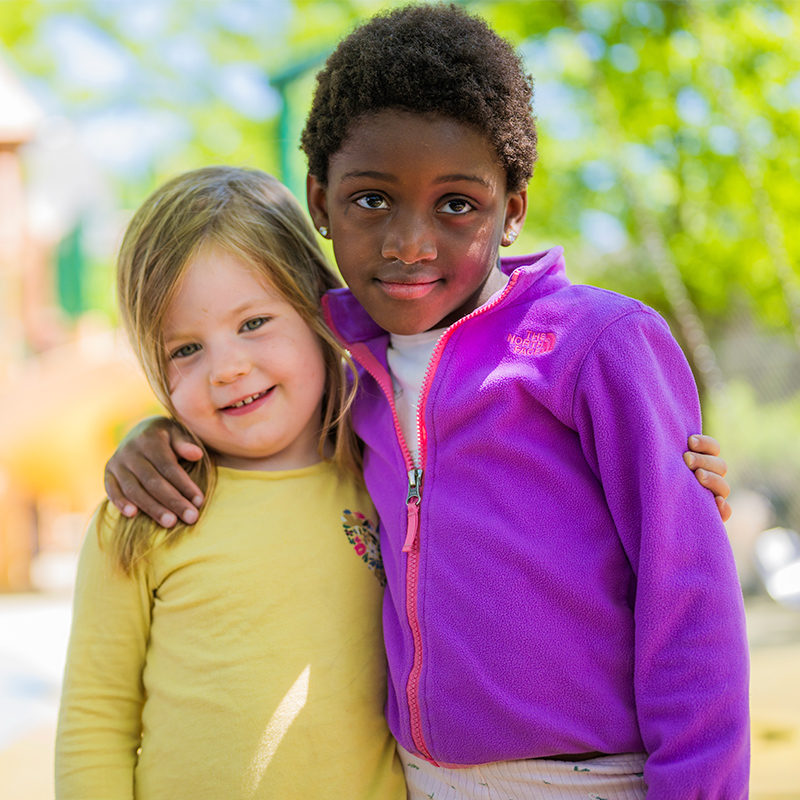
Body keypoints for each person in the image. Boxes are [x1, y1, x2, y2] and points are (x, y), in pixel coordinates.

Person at [103, 5, 748, 798]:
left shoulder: (595, 347)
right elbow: (251, 412)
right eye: (372, 199)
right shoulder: (355, 389)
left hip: (589, 781)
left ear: (511, 209)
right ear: (320, 198)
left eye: (456, 205)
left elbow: (691, 608)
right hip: (416, 782)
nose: (410, 242)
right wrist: (149, 436)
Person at [55, 167, 405, 800]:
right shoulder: (143, 513)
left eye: (253, 323)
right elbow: (95, 722)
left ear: (317, 309)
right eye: (185, 349)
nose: (228, 368)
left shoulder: (379, 470)